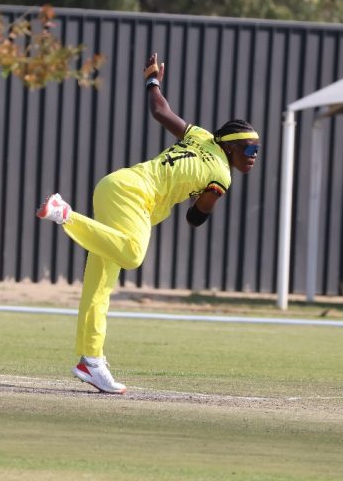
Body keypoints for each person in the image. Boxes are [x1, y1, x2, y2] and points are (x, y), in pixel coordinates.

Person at [36, 52, 260, 394]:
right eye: (248, 150)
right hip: (136, 198)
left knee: (99, 286)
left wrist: (152, 78)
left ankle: (91, 361)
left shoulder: (199, 135)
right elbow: (194, 218)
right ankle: (64, 214)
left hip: (114, 183)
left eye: (256, 150)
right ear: (229, 149)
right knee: (132, 254)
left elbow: (159, 110)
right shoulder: (221, 176)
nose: (253, 157)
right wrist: (206, 193)